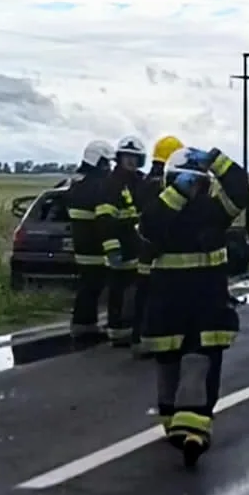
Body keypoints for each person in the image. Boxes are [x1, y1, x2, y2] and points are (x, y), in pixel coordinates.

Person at [138, 146, 249, 467]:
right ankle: (185, 427)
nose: (197, 189)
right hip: (191, 304)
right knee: (183, 366)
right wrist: (185, 187)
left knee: (193, 363)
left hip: (188, 305)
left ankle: (188, 428)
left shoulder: (211, 211)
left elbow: (241, 190)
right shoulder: (166, 210)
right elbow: (149, 226)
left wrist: (217, 159)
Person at [132, 135, 184, 357]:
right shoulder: (165, 185)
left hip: (143, 251)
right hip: (162, 253)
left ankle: (138, 340)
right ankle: (158, 345)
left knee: (142, 298)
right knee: (161, 302)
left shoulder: (142, 183)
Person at [95, 135, 146, 347]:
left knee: (137, 294)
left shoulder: (141, 183)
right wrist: (112, 249)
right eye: (127, 157)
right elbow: (104, 219)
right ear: (119, 158)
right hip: (120, 250)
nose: (131, 162)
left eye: (134, 158)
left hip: (139, 250)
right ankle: (117, 332)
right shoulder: (111, 184)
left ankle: (132, 330)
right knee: (119, 293)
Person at [66, 140, 114, 342]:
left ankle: (84, 324)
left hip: (83, 243)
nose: (108, 168)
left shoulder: (76, 183)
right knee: (93, 286)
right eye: (105, 163)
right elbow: (103, 216)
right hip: (94, 245)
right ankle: (84, 326)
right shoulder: (96, 185)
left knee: (89, 286)